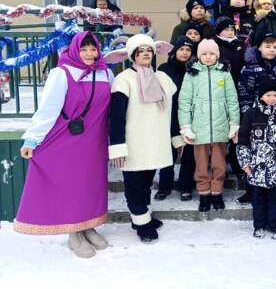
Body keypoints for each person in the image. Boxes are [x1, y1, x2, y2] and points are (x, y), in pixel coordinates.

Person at [15, 32, 113, 258]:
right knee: (72, 185)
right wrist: (33, 138)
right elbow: (48, 108)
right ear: (75, 50)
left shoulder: (105, 72)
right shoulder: (62, 73)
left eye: (93, 49)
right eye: (84, 49)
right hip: (67, 139)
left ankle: (88, 225)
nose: (89, 53)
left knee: (91, 184)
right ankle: (73, 232)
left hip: (95, 140)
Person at [107, 34, 177, 243]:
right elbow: (116, 115)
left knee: (146, 181)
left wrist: (175, 136)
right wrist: (118, 145)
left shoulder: (162, 78)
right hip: (134, 141)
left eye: (149, 51)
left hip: (155, 140)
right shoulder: (124, 79)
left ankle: (142, 216)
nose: (146, 55)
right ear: (132, 56)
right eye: (141, 52)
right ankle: (142, 224)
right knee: (134, 183)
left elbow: (172, 110)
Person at [178, 39, 240, 212]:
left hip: (220, 127)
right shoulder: (192, 74)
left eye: (212, 54)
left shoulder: (224, 73)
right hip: (199, 128)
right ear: (198, 56)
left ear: (217, 55)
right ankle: (204, 194)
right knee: (202, 164)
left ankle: (217, 193)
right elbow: (184, 102)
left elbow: (232, 100)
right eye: (204, 54)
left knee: (219, 164)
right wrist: (185, 125)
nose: (208, 57)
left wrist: (234, 123)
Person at [237, 79, 276, 239]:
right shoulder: (251, 114)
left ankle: (275, 226)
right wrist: (245, 162)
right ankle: (259, 226)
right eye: (268, 95)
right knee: (257, 199)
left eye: (275, 95)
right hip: (257, 168)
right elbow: (243, 139)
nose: (272, 98)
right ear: (261, 96)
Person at [154, 37, 196, 202]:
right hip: (168, 116)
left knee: (189, 154)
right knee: (167, 153)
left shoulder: (194, 70)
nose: (185, 53)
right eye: (182, 49)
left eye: (188, 50)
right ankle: (165, 186)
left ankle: (185, 186)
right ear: (175, 51)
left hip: (189, 117)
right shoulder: (164, 69)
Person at [238, 33, 276, 115]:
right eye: (268, 47)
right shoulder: (250, 68)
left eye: (275, 47)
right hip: (257, 112)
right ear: (260, 48)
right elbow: (245, 94)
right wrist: (248, 114)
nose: (272, 50)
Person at [213, 17, 245, 86]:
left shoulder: (240, 44)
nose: (230, 32)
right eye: (226, 30)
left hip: (238, 79)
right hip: (220, 80)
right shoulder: (214, 44)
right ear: (219, 32)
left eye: (232, 30)